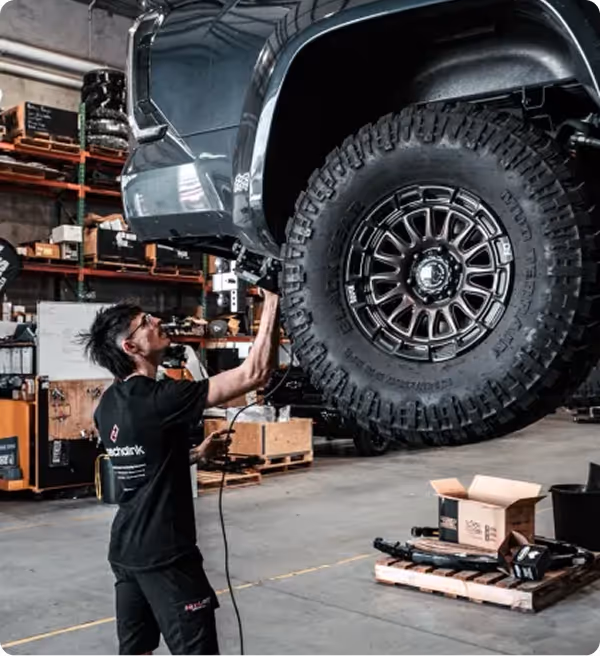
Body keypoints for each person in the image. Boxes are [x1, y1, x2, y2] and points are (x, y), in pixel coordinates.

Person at [80, 290, 280, 656]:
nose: (157, 320)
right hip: (166, 555)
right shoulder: (162, 398)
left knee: (136, 651)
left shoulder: (107, 405)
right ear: (131, 347)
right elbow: (254, 373)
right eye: (145, 323)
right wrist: (272, 300)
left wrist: (196, 454)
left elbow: (144, 461)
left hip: (125, 551)